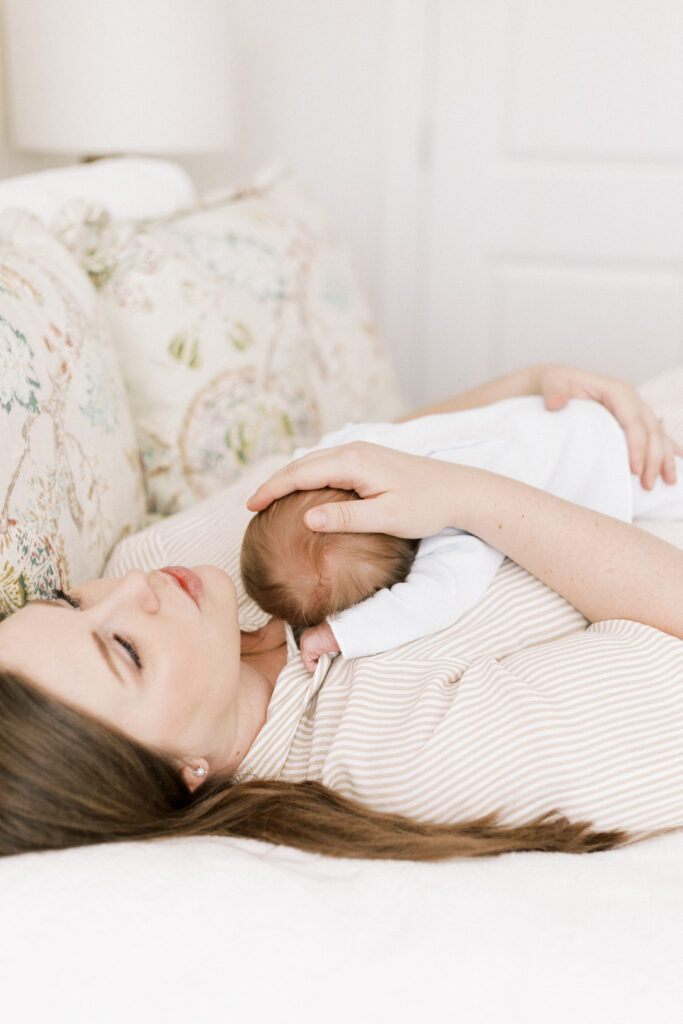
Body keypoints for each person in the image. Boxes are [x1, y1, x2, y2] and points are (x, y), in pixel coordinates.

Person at [0, 363, 682, 862]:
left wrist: (536, 385)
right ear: (184, 770)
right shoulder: (396, 754)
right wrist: (466, 498)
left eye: (68, 600)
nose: (127, 591)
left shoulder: (162, 554)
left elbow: (374, 454)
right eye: (126, 650)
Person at [241, 394, 683, 671]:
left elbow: (434, 599)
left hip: (603, 467)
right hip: (570, 418)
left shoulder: (449, 532)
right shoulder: (364, 449)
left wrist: (343, 634)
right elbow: (313, 456)